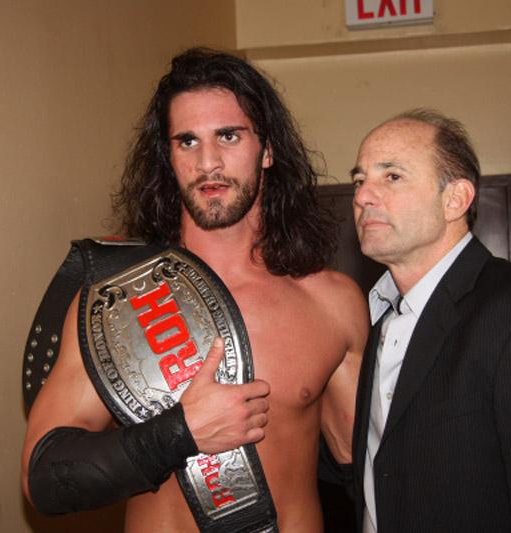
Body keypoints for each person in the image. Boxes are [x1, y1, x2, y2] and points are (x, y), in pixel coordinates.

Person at [21, 48, 367, 532]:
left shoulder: (332, 302)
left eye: (229, 135)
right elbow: (44, 480)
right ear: (169, 157)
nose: (208, 162)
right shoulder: (117, 304)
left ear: (267, 150)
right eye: (187, 141)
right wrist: (178, 433)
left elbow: (368, 469)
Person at [350, 109, 511, 532]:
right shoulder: (375, 314)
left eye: (392, 176)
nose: (364, 196)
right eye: (359, 180)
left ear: (455, 199)